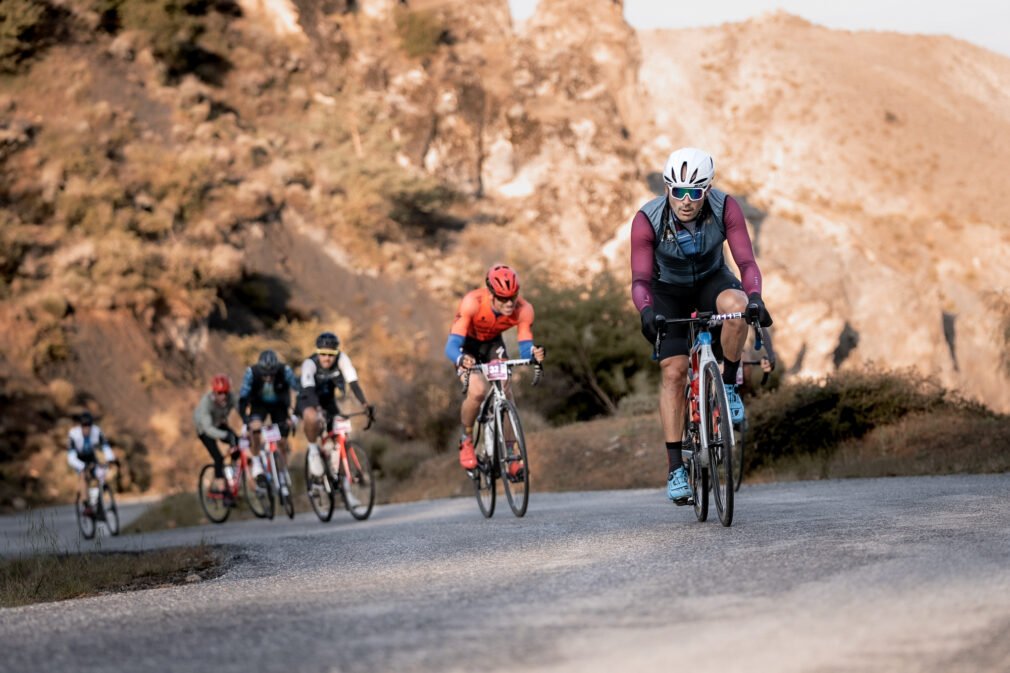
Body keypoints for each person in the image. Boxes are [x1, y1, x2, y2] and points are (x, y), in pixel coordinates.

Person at [630, 147, 773, 504]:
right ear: (667, 188)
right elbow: (640, 281)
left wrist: (755, 297)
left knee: (737, 308)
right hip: (667, 291)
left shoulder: (726, 207)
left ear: (707, 189)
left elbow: (746, 262)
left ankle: (727, 388)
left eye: (695, 192)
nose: (686, 200)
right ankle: (676, 468)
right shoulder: (647, 219)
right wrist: (647, 311)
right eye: (678, 191)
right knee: (674, 371)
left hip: (712, 280)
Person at [443, 264, 545, 472]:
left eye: (513, 296)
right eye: (503, 298)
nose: (509, 303)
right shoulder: (472, 303)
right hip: (466, 345)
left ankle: (511, 455)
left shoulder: (524, 310)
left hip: (492, 344)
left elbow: (525, 348)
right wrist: (461, 358)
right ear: (491, 294)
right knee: (478, 390)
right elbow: (451, 346)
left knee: (505, 389)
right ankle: (466, 439)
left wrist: (533, 354)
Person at [298, 331, 375, 477]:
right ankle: (313, 451)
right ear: (318, 352)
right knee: (312, 417)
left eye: (331, 354)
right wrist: (318, 409)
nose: (327, 358)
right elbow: (308, 390)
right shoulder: (309, 363)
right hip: (309, 398)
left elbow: (353, 383)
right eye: (323, 354)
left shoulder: (342, 359)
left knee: (338, 435)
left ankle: (341, 481)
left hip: (328, 399)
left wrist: (365, 404)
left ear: (336, 353)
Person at [238, 349, 299, 484]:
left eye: (272, 374)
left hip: (279, 405)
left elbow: (299, 390)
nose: (269, 378)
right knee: (255, 429)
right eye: (265, 375)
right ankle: (256, 462)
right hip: (259, 405)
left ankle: (282, 472)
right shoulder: (251, 373)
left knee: (282, 441)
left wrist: (294, 415)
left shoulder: (285, 370)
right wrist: (246, 420)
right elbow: (243, 398)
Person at [193, 374, 239, 500]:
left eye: (225, 393)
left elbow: (240, 408)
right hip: (204, 429)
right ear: (214, 392)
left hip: (219, 423)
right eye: (219, 393)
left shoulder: (231, 398)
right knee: (218, 458)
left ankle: (232, 477)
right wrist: (225, 435)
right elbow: (208, 429)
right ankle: (221, 489)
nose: (223, 396)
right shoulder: (206, 403)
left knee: (238, 444)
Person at [67, 411, 117, 514]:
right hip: (78, 459)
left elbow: (105, 446)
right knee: (83, 475)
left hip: (91, 457)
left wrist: (110, 458)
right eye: (84, 426)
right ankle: (86, 504)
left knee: (100, 474)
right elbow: (71, 456)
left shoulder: (97, 431)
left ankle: (97, 501)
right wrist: (82, 466)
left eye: (89, 425)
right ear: (81, 426)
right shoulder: (73, 434)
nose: (87, 428)